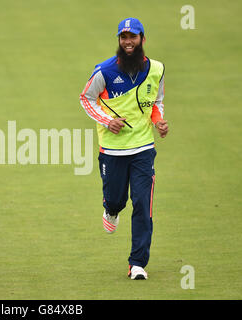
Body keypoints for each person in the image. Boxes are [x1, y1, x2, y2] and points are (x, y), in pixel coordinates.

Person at [79, 18, 168, 280]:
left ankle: (137, 263)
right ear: (119, 40)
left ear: (143, 39)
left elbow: (156, 101)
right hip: (112, 150)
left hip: (143, 149)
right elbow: (86, 98)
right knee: (117, 199)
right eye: (123, 37)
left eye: (133, 37)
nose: (128, 42)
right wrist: (108, 121)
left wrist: (159, 121)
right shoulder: (104, 71)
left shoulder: (157, 69)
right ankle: (111, 208)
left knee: (143, 203)